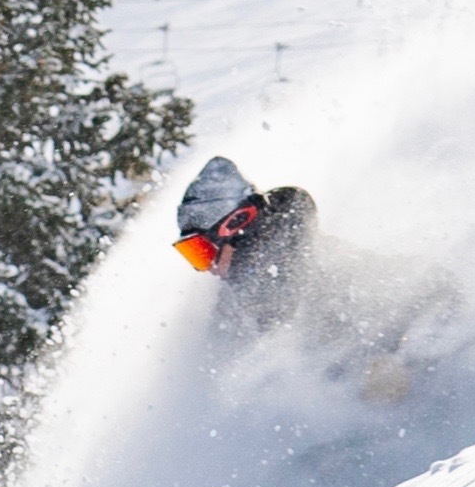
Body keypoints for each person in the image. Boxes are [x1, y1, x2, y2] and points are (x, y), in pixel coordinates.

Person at [171, 156, 457, 400]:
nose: (206, 268)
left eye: (202, 250)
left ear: (236, 224)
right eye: (192, 255)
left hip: (421, 372)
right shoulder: (243, 291)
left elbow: (425, 289)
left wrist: (397, 359)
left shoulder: (299, 262)